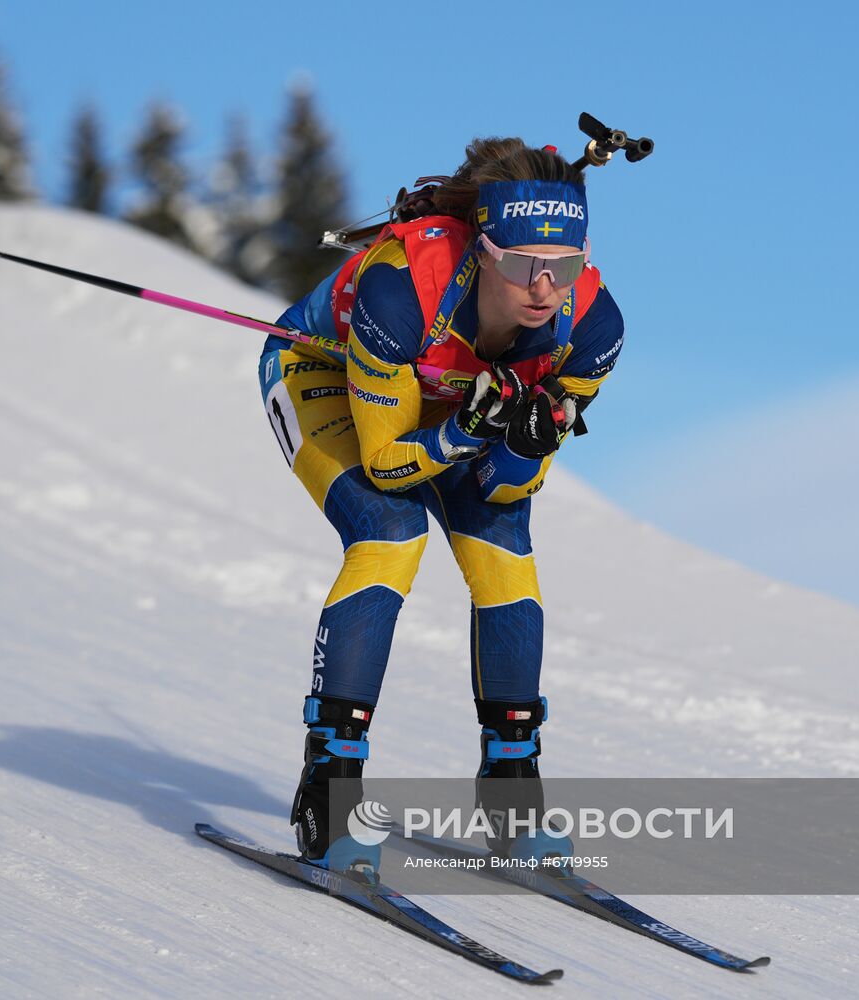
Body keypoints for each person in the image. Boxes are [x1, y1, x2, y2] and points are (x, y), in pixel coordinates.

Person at [257, 137, 625, 872]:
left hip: (450, 396)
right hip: (327, 372)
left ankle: (512, 795)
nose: (544, 288)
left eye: (565, 266)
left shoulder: (592, 330)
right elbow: (392, 468)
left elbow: (504, 489)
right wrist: (465, 429)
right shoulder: (403, 289)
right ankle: (328, 787)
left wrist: (521, 444)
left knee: (504, 557)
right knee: (391, 535)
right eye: (522, 264)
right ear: (483, 251)